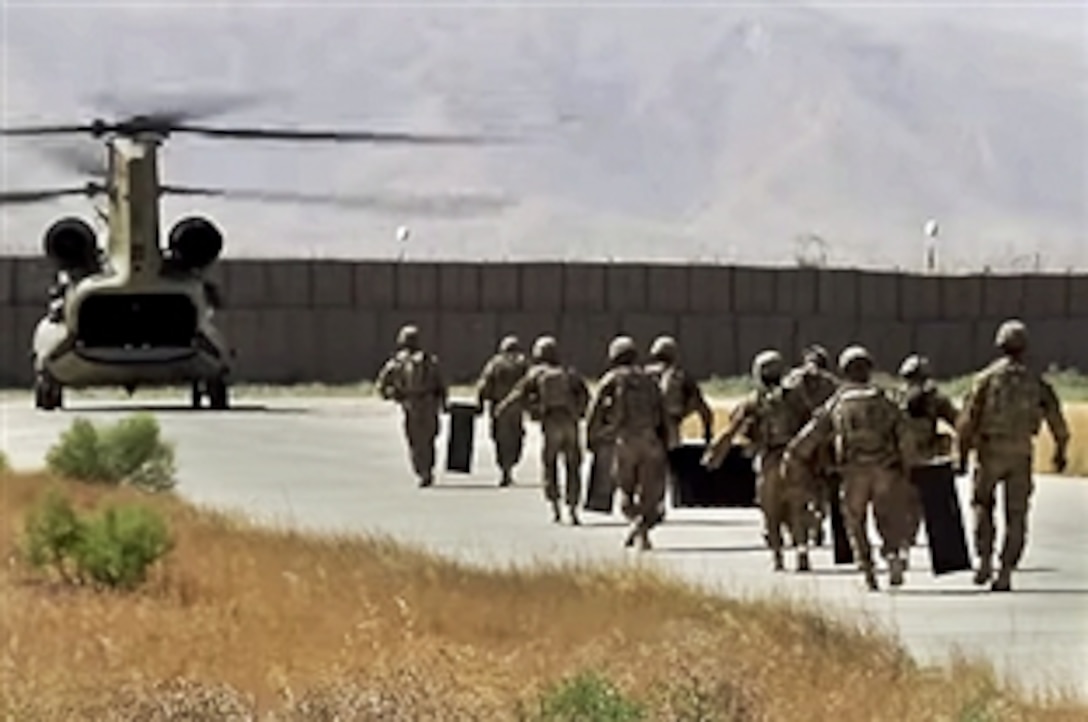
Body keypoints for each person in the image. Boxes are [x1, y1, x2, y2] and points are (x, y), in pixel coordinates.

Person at [784, 345, 914, 591]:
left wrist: (795, 453)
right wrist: (908, 466)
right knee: (886, 516)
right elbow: (904, 434)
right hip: (885, 469)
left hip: (854, 472)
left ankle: (867, 569)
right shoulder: (885, 399)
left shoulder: (838, 402)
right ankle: (893, 555)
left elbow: (814, 432)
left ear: (844, 371)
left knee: (855, 520)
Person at [956, 319, 1070, 592]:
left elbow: (967, 421)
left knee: (982, 504)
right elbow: (1056, 419)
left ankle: (984, 559)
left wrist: (961, 455)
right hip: (1021, 452)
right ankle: (1005, 570)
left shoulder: (985, 379)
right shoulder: (1036, 381)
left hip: (989, 451)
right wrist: (1060, 451)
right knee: (1016, 514)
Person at [702, 349, 812, 572]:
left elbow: (733, 429)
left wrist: (716, 453)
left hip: (769, 459)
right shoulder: (796, 398)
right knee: (798, 508)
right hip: (794, 459)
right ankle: (802, 553)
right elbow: (811, 424)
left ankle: (778, 557)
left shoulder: (753, 401)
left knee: (770, 509)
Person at [495, 336, 590, 524]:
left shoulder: (535, 374)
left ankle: (555, 507)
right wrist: (579, 413)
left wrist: (503, 409)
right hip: (570, 423)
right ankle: (572, 509)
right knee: (573, 466)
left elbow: (517, 394)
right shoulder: (568, 372)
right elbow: (585, 395)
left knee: (550, 464)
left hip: (551, 423)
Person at [586, 335, 669, 551]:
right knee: (649, 492)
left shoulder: (612, 379)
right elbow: (663, 413)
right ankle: (641, 530)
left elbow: (594, 411)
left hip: (625, 442)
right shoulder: (649, 381)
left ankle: (636, 526)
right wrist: (666, 443)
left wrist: (591, 437)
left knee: (626, 491)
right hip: (650, 441)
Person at [895, 354, 959, 558]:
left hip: (902, 457)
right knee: (929, 506)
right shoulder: (936, 399)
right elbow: (957, 421)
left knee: (904, 502)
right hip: (928, 456)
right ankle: (936, 550)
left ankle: (903, 545)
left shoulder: (896, 398)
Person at [782, 343, 842, 546]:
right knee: (823, 486)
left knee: (793, 484)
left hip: (797, 440)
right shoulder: (832, 384)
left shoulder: (791, 380)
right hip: (823, 442)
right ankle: (817, 519)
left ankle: (802, 524)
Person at [375, 324, 448, 487]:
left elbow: (381, 385)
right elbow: (441, 384)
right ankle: (427, 470)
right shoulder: (429, 360)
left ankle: (422, 471)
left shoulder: (397, 362)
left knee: (415, 440)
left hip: (411, 405)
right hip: (429, 405)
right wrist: (443, 403)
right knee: (428, 439)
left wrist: (394, 395)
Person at [475, 335, 530, 486]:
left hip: (498, 408)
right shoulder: (522, 363)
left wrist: (480, 403)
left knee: (500, 440)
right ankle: (510, 466)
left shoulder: (495, 363)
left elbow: (483, 384)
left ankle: (505, 470)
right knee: (517, 438)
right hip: (516, 409)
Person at [643, 335, 714, 449]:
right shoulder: (682, 377)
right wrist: (707, 433)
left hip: (642, 438)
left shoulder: (641, 376)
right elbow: (704, 411)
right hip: (670, 435)